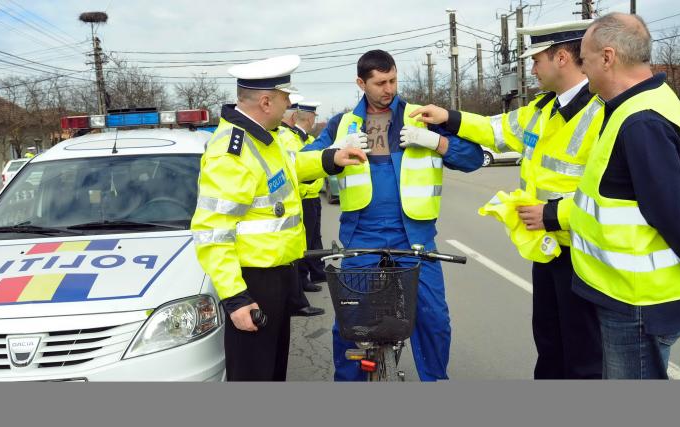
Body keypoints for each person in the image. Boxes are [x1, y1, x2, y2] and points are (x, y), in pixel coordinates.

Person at [410, 20, 603, 379]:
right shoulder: (542, 111)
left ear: (561, 58)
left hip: (584, 251)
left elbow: (609, 188)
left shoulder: (602, 112)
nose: (531, 68)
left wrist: (553, 214)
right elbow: (494, 129)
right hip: (547, 250)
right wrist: (447, 117)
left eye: (536, 60)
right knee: (550, 345)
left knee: (585, 356)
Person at [303, 49, 483, 381]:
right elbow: (301, 167)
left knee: (433, 320)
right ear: (361, 83)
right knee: (349, 324)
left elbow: (473, 159)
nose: (389, 88)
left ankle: (434, 383)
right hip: (362, 237)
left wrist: (436, 142)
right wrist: (333, 152)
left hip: (414, 239)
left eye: (393, 80)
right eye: (380, 82)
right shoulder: (342, 124)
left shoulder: (421, 116)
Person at [191, 55, 366, 381]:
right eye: (286, 99)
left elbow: (290, 168)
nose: (289, 107)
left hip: (277, 278)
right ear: (267, 101)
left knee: (272, 373)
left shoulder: (262, 139)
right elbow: (212, 230)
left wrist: (331, 158)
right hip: (253, 283)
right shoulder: (232, 152)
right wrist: (235, 298)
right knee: (255, 376)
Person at [570, 12, 680, 379]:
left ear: (607, 57)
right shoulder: (649, 101)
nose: (582, 68)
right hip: (631, 296)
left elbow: (669, 208)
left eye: (584, 59)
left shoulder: (641, 120)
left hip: (637, 302)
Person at [277, 97, 325, 317]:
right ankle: (296, 298)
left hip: (310, 196)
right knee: (300, 248)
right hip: (301, 198)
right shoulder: (287, 137)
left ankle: (303, 283)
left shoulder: (300, 137)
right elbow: (295, 168)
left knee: (310, 241)